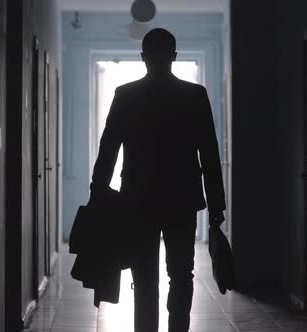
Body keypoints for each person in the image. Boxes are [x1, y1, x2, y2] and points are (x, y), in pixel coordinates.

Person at [89, 28, 226, 332]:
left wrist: (98, 193)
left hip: (137, 200)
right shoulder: (194, 96)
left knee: (144, 278)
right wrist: (217, 206)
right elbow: (210, 154)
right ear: (174, 57)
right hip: (181, 198)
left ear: (143, 58)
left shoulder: (126, 95)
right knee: (181, 275)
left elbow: (109, 146)